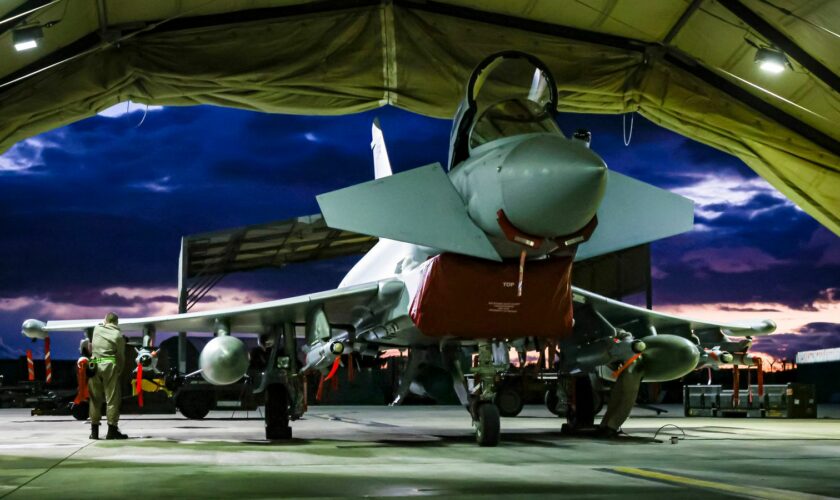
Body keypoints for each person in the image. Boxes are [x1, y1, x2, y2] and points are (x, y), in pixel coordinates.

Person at [88, 312, 128, 440]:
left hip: (94, 365)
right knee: (112, 399)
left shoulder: (97, 329)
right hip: (109, 366)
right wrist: (119, 370)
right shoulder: (118, 336)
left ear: (105, 320)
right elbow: (121, 357)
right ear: (116, 322)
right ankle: (112, 430)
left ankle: (94, 432)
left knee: (94, 399)